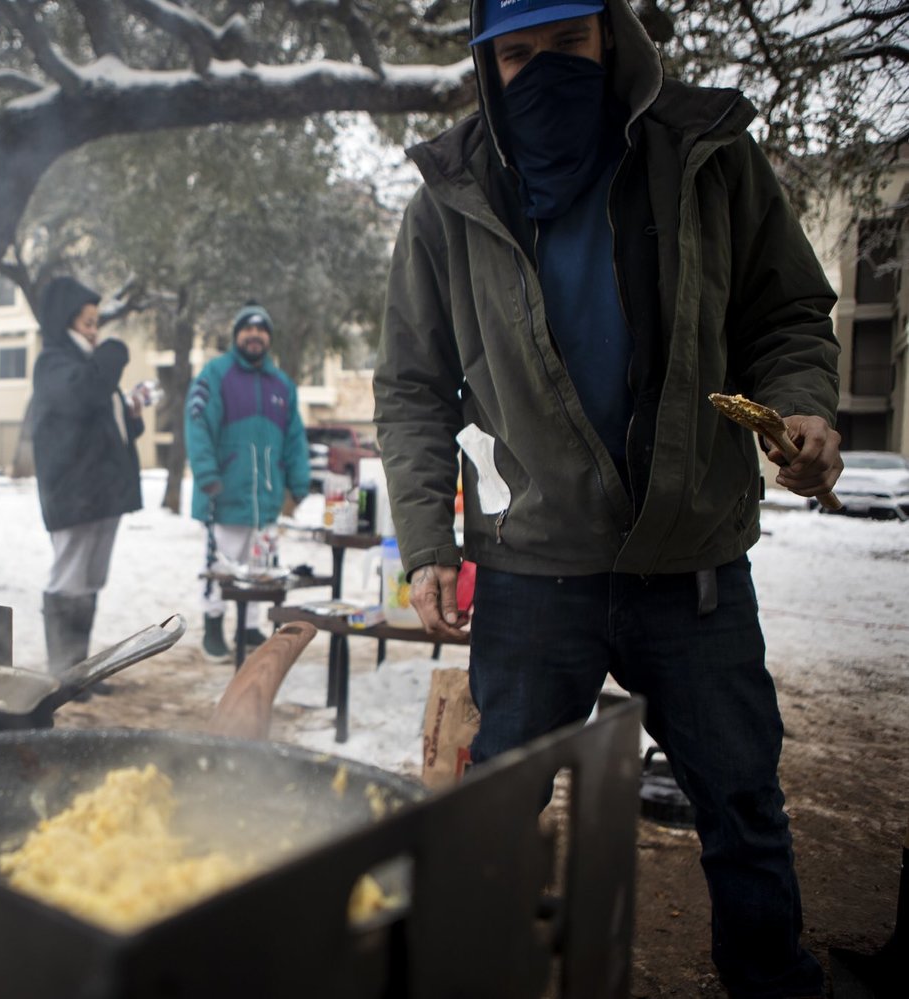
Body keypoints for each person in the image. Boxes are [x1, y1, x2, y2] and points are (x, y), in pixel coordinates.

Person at [373, 1, 842, 995]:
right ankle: (462, 980)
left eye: (567, 46)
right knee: (495, 811)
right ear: (489, 66)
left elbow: (790, 312)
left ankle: (771, 982)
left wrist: (801, 411)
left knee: (744, 807)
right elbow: (412, 387)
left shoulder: (710, 158)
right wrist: (426, 543)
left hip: (695, 565)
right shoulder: (450, 200)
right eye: (517, 54)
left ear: (613, 40)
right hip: (536, 570)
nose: (543, 72)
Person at [30, 276, 145, 682]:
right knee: (69, 580)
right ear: (65, 324)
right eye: (88, 324)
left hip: (101, 495)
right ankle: (62, 675)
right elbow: (84, 396)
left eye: (97, 323)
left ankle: (78, 675)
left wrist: (131, 414)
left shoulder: (86, 368)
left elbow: (103, 422)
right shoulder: (54, 364)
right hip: (75, 495)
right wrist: (114, 353)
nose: (96, 333)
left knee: (90, 582)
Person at [186, 303, 312, 661]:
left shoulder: (281, 385)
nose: (254, 336)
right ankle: (213, 626)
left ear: (269, 339)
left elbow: (295, 438)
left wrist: (298, 485)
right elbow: (197, 426)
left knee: (262, 567)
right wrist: (207, 473)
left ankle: (250, 626)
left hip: (268, 498)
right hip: (225, 495)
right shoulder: (215, 374)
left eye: (262, 330)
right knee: (222, 566)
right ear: (236, 336)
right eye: (247, 329)